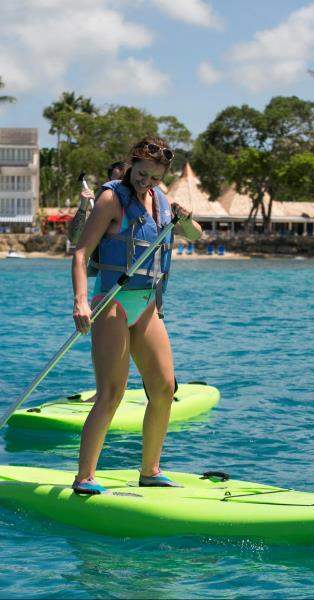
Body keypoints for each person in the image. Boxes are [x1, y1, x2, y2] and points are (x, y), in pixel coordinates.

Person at [70, 136, 202, 495]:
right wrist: (81, 301)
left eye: (154, 177)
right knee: (111, 393)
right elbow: (81, 254)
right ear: (132, 165)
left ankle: (150, 470)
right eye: (141, 174)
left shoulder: (162, 201)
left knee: (163, 389)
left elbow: (197, 235)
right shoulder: (112, 198)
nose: (146, 182)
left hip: (146, 304)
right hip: (111, 302)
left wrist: (186, 220)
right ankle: (84, 478)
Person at [67, 161, 128, 246]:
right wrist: (83, 206)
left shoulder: (142, 205)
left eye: (125, 181)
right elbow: (74, 238)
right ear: (108, 181)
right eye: (116, 182)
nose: (122, 186)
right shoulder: (99, 206)